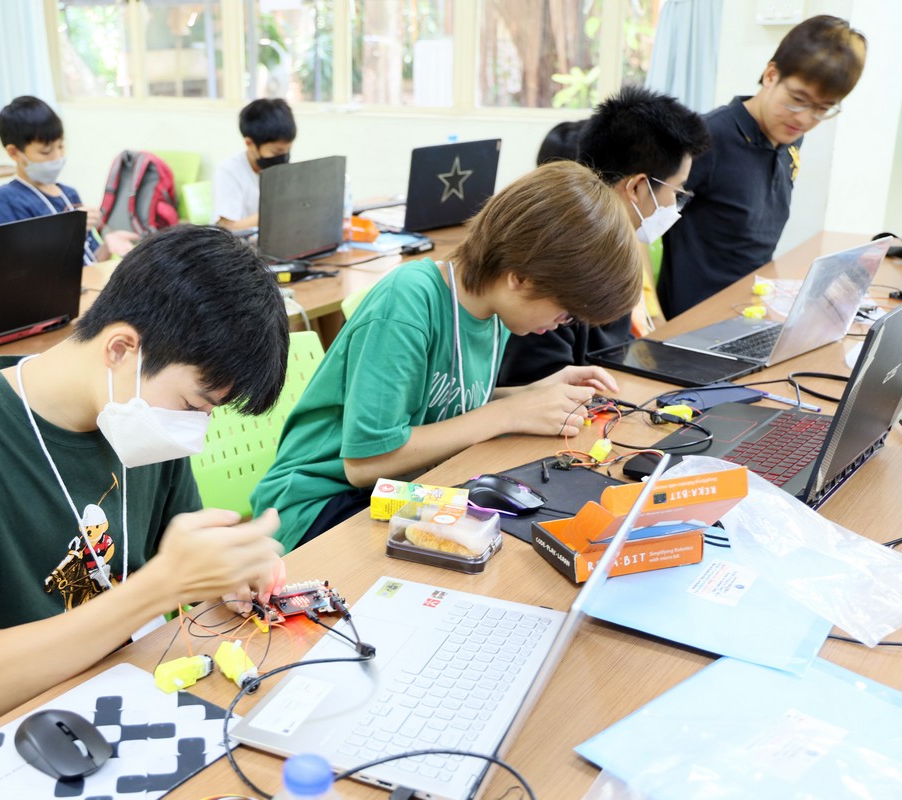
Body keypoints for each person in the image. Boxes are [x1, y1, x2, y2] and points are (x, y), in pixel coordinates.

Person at [0, 225, 290, 739]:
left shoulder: (139, 422)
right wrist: (161, 585)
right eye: (193, 405)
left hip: (136, 684)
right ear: (120, 349)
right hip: (25, 728)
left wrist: (228, 571)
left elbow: (186, 557)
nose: (196, 429)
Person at [251, 161, 644, 551]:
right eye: (566, 311)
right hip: (319, 506)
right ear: (520, 278)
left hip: (399, 488)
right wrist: (506, 414)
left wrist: (529, 395)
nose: (562, 324)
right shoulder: (408, 301)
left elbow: (443, 403)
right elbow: (366, 463)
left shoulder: (496, 314)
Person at [658, 15, 867, 319]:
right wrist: (649, 315)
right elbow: (631, 225)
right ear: (771, 75)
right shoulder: (708, 138)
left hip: (749, 311)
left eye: (822, 109)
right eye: (797, 100)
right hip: (692, 320)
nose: (804, 118)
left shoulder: (790, 138)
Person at [498, 86, 711, 386]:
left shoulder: (619, 244)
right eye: (676, 190)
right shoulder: (563, 251)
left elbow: (617, 352)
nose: (676, 202)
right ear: (637, 187)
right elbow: (540, 382)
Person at [0, 96, 137, 261]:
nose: (57, 157)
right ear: (14, 153)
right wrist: (66, 231)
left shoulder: (69, 195)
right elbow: (13, 264)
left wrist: (108, 245)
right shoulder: (6, 200)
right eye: (45, 152)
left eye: (60, 146)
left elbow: (91, 261)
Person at [212, 98, 296, 230]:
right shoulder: (229, 171)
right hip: (238, 241)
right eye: (277, 152)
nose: (283, 157)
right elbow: (226, 226)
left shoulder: (280, 170)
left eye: (288, 150)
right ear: (250, 144)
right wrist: (276, 212)